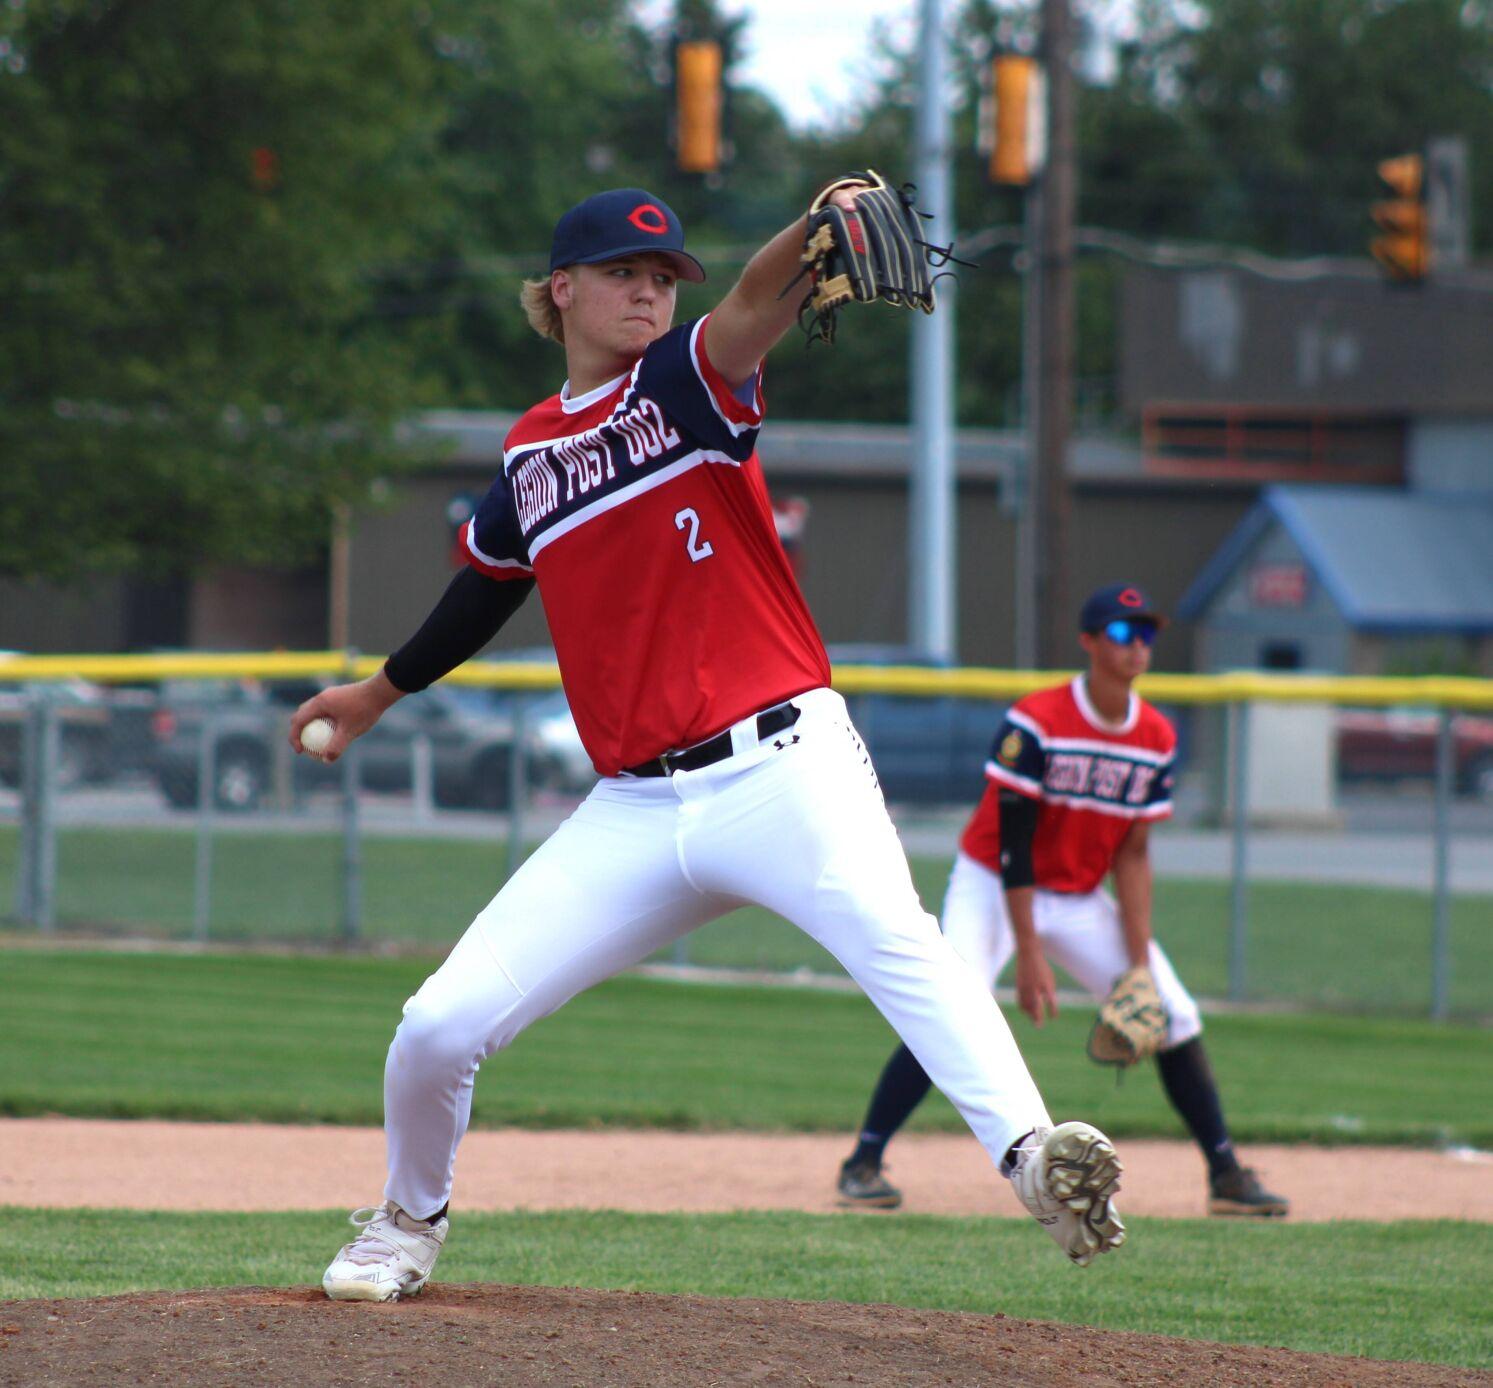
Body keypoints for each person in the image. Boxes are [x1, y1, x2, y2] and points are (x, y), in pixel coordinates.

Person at [295, 183, 1126, 1302]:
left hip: (784, 764)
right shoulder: (531, 454)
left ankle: (1033, 1159)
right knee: (436, 1025)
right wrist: (376, 694)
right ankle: (406, 1221)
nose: (648, 289)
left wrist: (814, 218)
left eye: (660, 276)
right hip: (635, 807)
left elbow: (751, 302)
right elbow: (484, 589)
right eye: (625, 272)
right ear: (559, 291)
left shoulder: (682, 382)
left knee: (899, 939)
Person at [835, 583, 1290, 1219]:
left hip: (1077, 897)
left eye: (1147, 635)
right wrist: (1028, 954)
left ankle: (1226, 1174)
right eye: (1124, 633)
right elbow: (1013, 844)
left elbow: (1132, 856)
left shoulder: (1156, 736)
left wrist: (1136, 965)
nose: (1139, 647)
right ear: (1089, 641)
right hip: (994, 881)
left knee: (1174, 1013)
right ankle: (863, 1163)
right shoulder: (1038, 721)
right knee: (950, 1003)